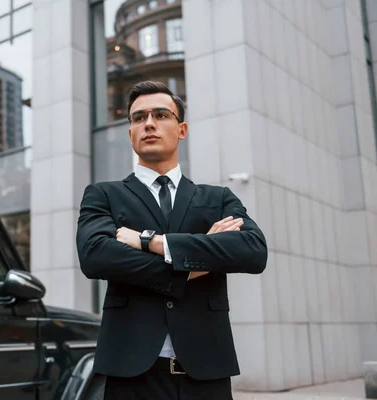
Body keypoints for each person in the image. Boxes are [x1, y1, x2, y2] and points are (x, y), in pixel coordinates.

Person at [76, 81, 268, 400]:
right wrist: (196, 263)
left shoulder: (218, 199)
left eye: (161, 114)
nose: (148, 123)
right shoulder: (103, 195)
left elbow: (252, 251)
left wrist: (154, 243)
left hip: (207, 370)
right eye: (138, 118)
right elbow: (96, 256)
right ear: (130, 133)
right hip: (131, 374)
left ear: (181, 129)